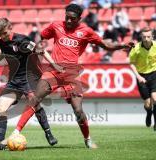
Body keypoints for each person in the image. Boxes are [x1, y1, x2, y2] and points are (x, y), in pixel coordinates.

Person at [10, 4, 134, 149]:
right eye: (66, 17)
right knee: (34, 99)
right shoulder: (56, 26)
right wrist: (39, 45)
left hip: (71, 74)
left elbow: (104, 45)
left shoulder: (86, 31)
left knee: (78, 110)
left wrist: (121, 46)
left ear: (79, 19)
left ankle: (87, 139)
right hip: (53, 71)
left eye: (72, 19)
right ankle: (15, 132)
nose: (68, 21)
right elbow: (42, 37)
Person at [0, 18, 63, 150]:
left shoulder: (22, 41)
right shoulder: (1, 42)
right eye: (0, 34)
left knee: (35, 105)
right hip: (14, 82)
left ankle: (48, 133)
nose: (3, 37)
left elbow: (42, 50)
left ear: (10, 28)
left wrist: (54, 64)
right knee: (0, 107)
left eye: (4, 33)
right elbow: (4, 53)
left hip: (29, 80)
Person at [129, 27, 156, 131]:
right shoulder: (136, 48)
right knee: (148, 104)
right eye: (144, 37)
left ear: (152, 36)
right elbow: (131, 64)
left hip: (154, 73)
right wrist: (138, 76)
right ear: (141, 37)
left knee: (155, 98)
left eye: (148, 36)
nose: (146, 39)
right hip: (142, 76)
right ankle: (149, 113)